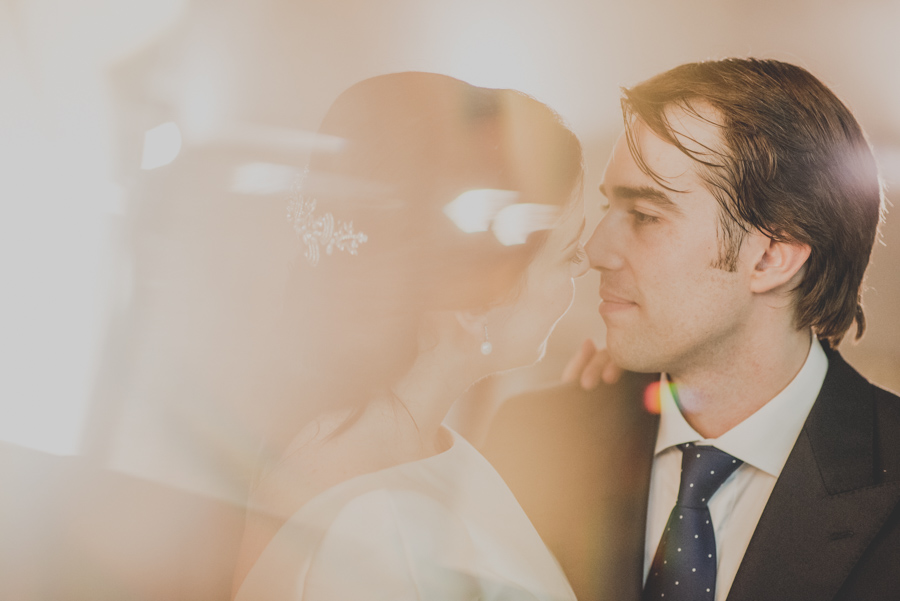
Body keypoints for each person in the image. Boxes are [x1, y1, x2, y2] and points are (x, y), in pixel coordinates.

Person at [482, 58, 900, 601]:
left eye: (646, 216)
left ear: (771, 257)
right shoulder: (536, 441)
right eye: (610, 207)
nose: (595, 251)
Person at [231, 72, 590, 601]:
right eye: (569, 253)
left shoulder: (390, 444)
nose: (584, 269)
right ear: (476, 297)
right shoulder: (381, 529)